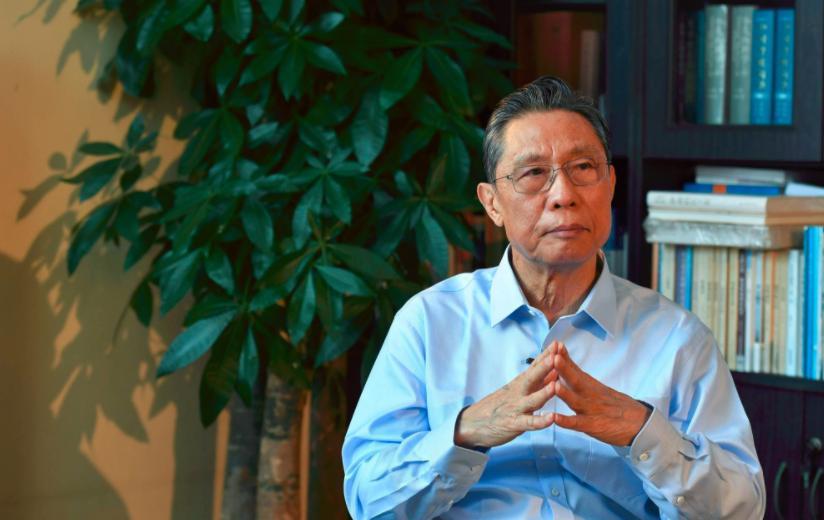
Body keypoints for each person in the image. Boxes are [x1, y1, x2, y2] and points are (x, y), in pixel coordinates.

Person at [341, 76, 766, 519]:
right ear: (492, 203)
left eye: (583, 168)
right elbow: (369, 501)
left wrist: (641, 431)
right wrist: (467, 431)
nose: (563, 195)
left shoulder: (676, 337)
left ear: (610, 185)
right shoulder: (430, 322)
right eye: (533, 174)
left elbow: (742, 510)